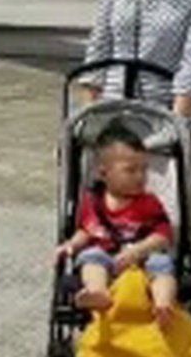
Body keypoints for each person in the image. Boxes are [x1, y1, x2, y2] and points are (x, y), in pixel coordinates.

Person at [51, 124, 177, 327]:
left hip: (142, 261)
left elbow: (163, 235)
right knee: (89, 257)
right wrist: (71, 245)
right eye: (130, 170)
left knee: (162, 264)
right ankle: (97, 291)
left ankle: (163, 304)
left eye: (144, 169)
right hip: (107, 262)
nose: (140, 176)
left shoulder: (148, 203)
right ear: (103, 173)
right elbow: (86, 230)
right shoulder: (92, 201)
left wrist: (139, 249)